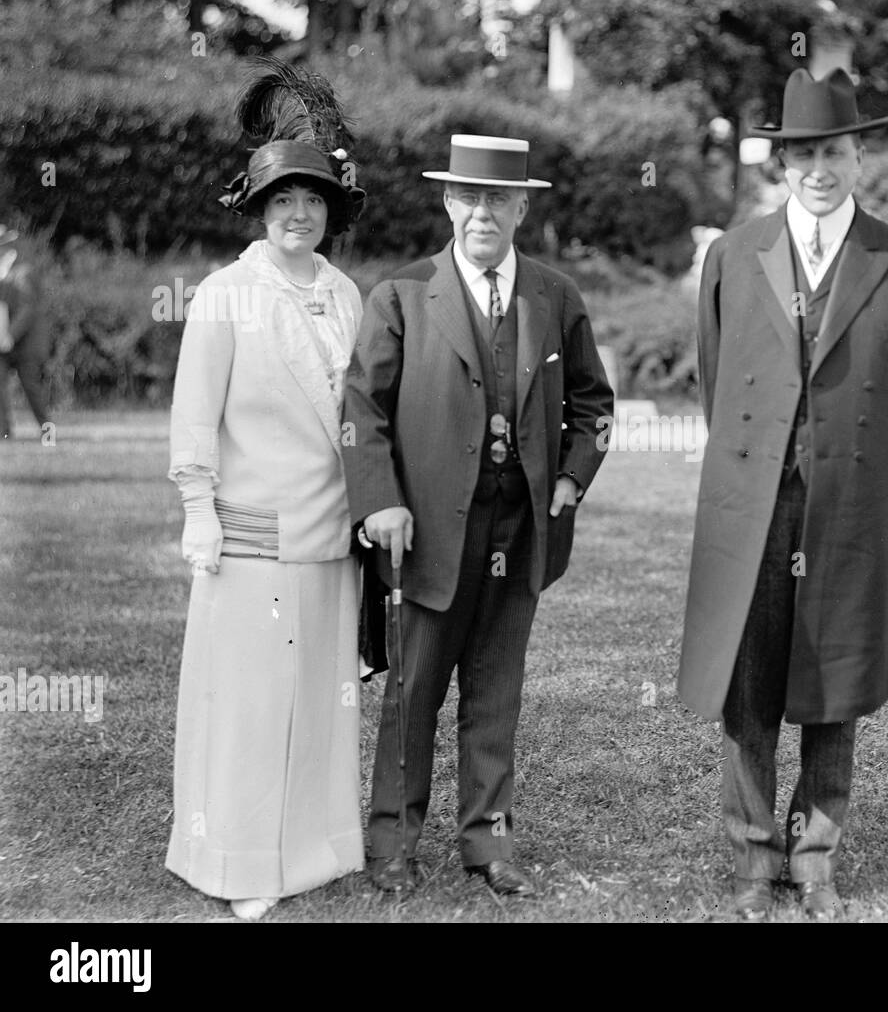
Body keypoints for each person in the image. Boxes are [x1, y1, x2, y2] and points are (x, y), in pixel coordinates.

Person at [677, 68, 888, 920]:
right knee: (748, 682)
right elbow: (718, 384)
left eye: (833, 150)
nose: (817, 167)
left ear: (860, 156)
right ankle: (755, 857)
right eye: (801, 153)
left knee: (837, 679)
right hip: (753, 502)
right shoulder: (733, 253)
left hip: (851, 502)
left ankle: (815, 854)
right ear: (780, 162)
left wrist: (857, 478)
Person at [344, 134, 613, 897]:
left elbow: (595, 404)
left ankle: (488, 843)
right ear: (448, 202)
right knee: (415, 691)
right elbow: (361, 411)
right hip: (427, 530)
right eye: (470, 197)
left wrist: (571, 477)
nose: (483, 212)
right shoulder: (401, 293)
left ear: (522, 206)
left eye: (499, 198)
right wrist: (381, 501)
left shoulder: (554, 295)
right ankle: (392, 840)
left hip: (520, 528)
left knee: (496, 694)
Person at [166, 60, 367, 921]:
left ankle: (316, 849)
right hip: (249, 534)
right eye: (283, 199)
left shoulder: (347, 294)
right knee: (249, 706)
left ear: (331, 212)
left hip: (331, 535)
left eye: (314, 200)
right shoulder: (223, 296)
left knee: (323, 699)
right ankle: (240, 861)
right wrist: (198, 508)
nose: (298, 213)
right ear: (258, 207)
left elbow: (360, 417)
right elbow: (192, 416)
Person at [0, 224, 52, 441]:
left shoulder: (23, 272)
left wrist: (10, 335)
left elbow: (26, 309)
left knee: (32, 389)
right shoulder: (4, 272)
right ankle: (4, 432)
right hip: (6, 343)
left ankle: (48, 432)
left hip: (27, 343)